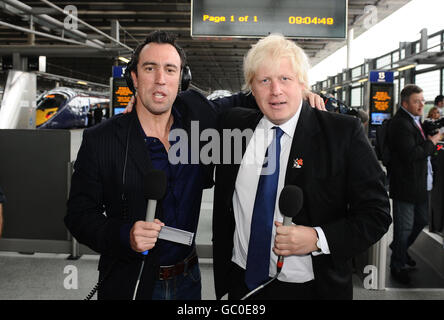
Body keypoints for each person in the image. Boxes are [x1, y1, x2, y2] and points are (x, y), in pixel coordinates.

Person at [66, 30, 324, 300]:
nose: (160, 80)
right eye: (149, 68)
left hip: (188, 280)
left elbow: (250, 97)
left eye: (170, 70)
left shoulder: (197, 115)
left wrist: (298, 92)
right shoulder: (102, 140)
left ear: (182, 79)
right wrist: (124, 234)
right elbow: (78, 215)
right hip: (132, 279)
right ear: (134, 78)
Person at [212, 34, 392, 300]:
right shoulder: (234, 126)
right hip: (242, 284)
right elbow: (184, 111)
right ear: (251, 87)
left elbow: (377, 214)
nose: (276, 91)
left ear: (303, 84)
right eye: (264, 80)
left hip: (311, 288)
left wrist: (318, 238)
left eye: (285, 78)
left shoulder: (341, 133)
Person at [387, 84, 441, 284]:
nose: (422, 104)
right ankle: (397, 265)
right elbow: (411, 154)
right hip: (406, 186)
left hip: (419, 184)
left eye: (422, 100)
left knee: (421, 221)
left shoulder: (413, 121)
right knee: (404, 228)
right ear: (405, 103)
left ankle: (399, 249)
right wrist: (432, 141)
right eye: (417, 101)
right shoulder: (400, 123)